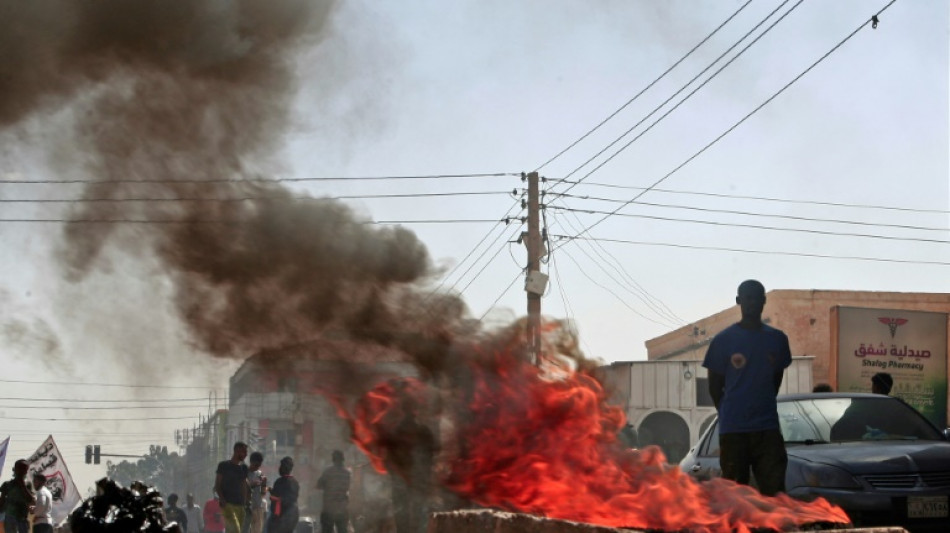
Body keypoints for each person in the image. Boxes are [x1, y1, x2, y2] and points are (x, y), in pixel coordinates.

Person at [703, 280, 791, 496]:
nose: (752, 303)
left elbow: (775, 380)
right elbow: (715, 386)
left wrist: (763, 404)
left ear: (764, 301)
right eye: (747, 298)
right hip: (734, 430)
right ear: (738, 301)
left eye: (757, 298)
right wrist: (727, 413)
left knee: (775, 493)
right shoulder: (723, 341)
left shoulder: (777, 339)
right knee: (734, 495)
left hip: (767, 429)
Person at [384, 399, 436, 533]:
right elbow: (431, 454)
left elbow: (388, 458)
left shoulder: (395, 431)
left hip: (401, 478)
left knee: (401, 511)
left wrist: (393, 473)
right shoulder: (423, 431)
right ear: (415, 411)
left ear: (403, 410)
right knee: (419, 510)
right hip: (417, 477)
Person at [215, 442, 249, 533]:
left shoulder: (244, 468)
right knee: (235, 530)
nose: (246, 454)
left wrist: (244, 503)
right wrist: (222, 499)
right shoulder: (223, 466)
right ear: (237, 451)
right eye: (244, 452)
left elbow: (244, 486)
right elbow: (217, 485)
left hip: (240, 506)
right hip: (228, 505)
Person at [317, 450, 351, 533]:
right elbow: (349, 487)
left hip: (329, 508)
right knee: (342, 530)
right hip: (342, 508)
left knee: (327, 530)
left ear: (333, 459)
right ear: (343, 459)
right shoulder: (347, 473)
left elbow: (319, 485)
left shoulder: (328, 471)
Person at [0, 459, 35, 533]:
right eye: (19, 469)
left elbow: (31, 501)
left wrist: (22, 485)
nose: (21, 471)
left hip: (22, 518)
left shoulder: (28, 485)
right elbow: (1, 503)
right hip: (10, 518)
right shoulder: (7, 485)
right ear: (15, 469)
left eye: (24, 469)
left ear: (26, 471)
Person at [266, 457, 299, 533]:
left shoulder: (280, 482)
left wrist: (274, 496)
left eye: (281, 466)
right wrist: (271, 490)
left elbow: (279, 498)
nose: (279, 468)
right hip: (292, 516)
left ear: (285, 467)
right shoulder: (295, 482)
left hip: (282, 516)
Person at [244, 452, 266, 533]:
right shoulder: (244, 473)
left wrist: (264, 484)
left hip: (257, 507)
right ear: (251, 462)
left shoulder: (260, 474)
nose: (257, 467)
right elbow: (241, 488)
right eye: (256, 465)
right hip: (246, 508)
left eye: (259, 465)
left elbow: (263, 494)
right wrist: (251, 484)